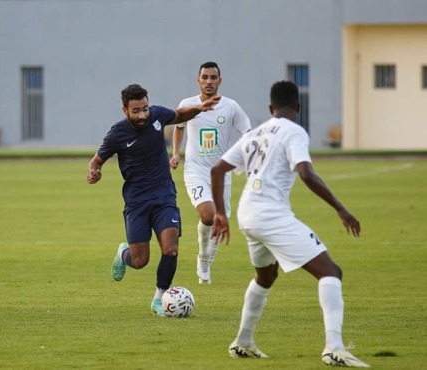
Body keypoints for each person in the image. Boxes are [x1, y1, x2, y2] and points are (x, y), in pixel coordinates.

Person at [210, 81, 370, 367]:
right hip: (270, 214)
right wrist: (341, 209)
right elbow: (306, 173)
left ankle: (243, 342)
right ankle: (334, 348)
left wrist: (221, 213)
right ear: (298, 107)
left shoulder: (256, 132)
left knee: (266, 277)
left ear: (271, 109)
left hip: (247, 213)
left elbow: (218, 169)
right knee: (331, 272)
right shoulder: (295, 131)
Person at [87, 84, 220, 316]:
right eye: (136, 111)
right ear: (125, 111)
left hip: (164, 195)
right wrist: (94, 172)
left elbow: (179, 115)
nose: (143, 115)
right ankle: (123, 253)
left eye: (145, 109)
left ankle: (159, 299)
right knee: (140, 261)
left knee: (171, 249)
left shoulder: (157, 115)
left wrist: (199, 108)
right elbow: (97, 160)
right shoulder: (117, 134)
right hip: (136, 202)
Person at [170, 61, 251, 284]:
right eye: (204, 77)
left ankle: (205, 260)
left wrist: (240, 155)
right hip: (195, 170)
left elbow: (248, 132)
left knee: (219, 220)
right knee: (207, 215)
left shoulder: (231, 107)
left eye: (213, 77)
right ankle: (203, 257)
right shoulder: (187, 104)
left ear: (220, 81)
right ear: (198, 80)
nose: (208, 81)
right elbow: (178, 127)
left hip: (220, 174)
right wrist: (176, 153)